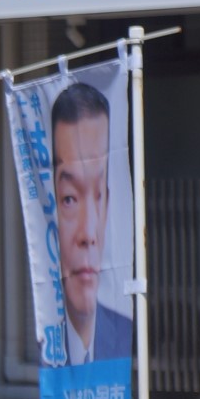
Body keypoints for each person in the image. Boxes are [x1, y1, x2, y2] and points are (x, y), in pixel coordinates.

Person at [49, 82, 132, 367]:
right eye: (70, 198)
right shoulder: (46, 336)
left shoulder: (124, 328)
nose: (88, 234)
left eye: (98, 197)